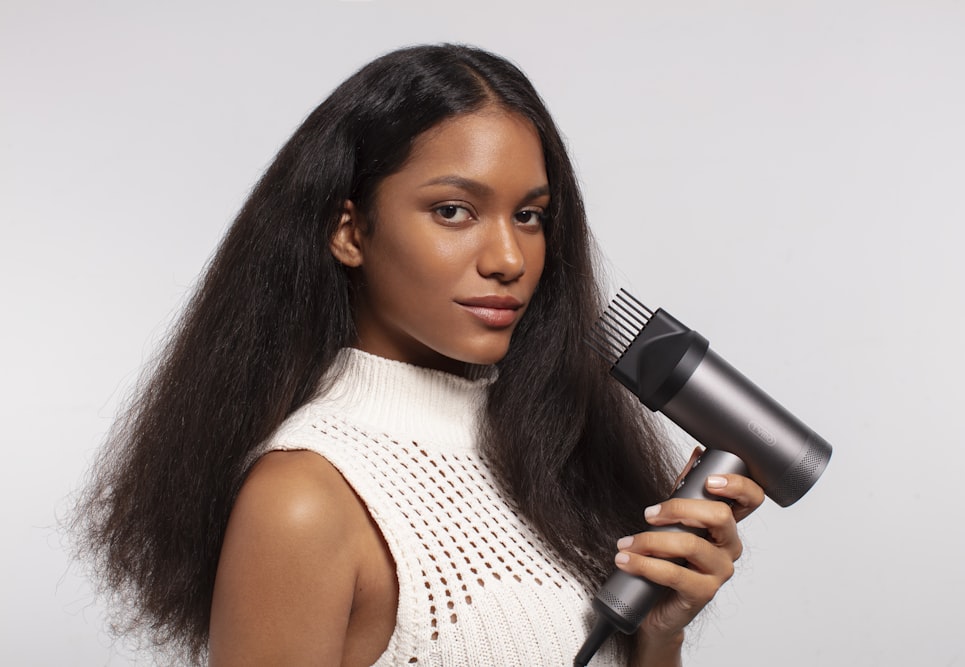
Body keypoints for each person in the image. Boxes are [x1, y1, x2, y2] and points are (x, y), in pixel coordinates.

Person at [74, 44, 765, 666]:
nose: (507, 258)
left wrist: (660, 634)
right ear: (348, 231)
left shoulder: (551, 456)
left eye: (529, 215)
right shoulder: (305, 501)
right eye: (454, 211)